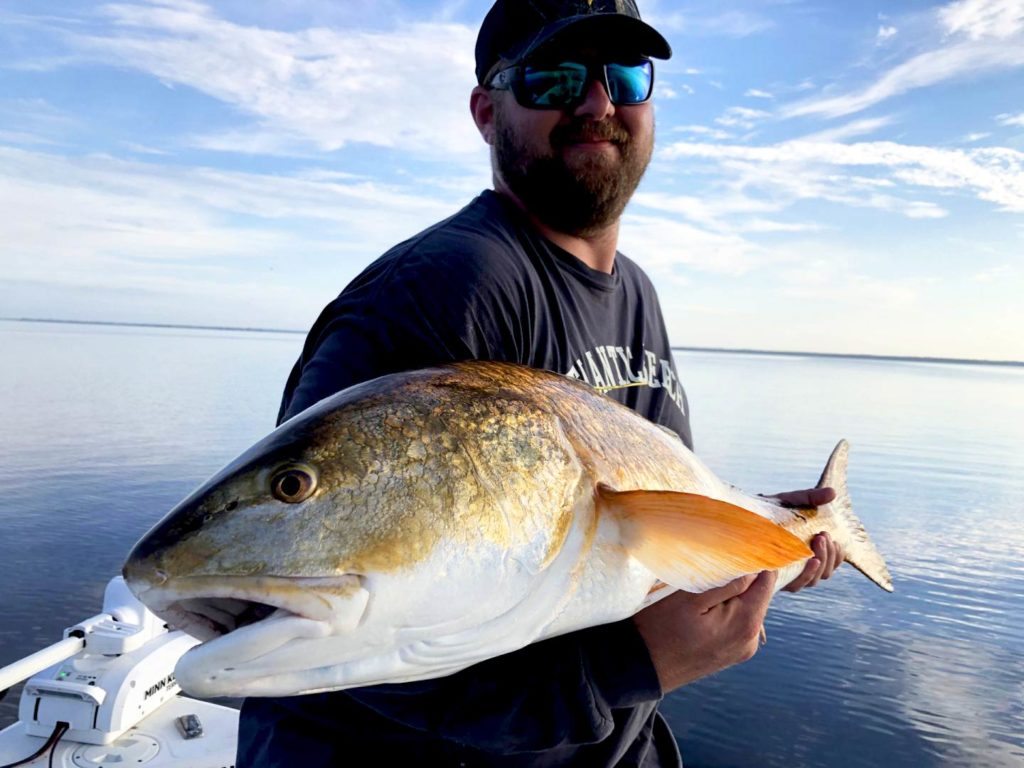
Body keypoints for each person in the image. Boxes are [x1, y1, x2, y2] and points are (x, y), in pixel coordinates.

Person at [237, 1, 843, 765]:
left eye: (623, 76)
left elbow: (618, 535)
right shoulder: (440, 291)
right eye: (553, 78)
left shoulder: (636, 292)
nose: (597, 105)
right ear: (487, 112)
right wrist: (631, 668)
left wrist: (756, 541)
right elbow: (338, 654)